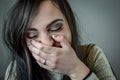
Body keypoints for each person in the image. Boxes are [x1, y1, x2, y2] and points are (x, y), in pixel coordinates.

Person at [3, 0, 116, 80]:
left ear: (69, 23)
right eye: (32, 35)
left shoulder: (92, 55)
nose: (47, 43)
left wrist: (75, 69)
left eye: (55, 28)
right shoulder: (16, 69)